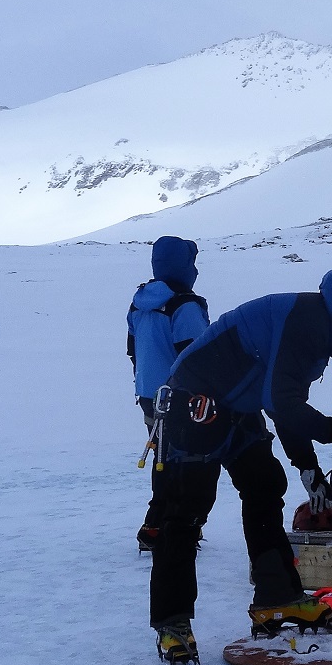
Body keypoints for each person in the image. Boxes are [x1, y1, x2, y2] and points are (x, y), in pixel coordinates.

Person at [147, 269, 332, 665]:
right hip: (195, 399)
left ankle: (275, 597)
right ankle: (172, 622)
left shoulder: (319, 327)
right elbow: (283, 403)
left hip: (237, 408)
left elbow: (283, 400)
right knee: (187, 510)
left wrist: (308, 466)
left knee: (265, 484)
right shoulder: (310, 323)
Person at [129, 236, 211, 555]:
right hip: (181, 397)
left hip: (150, 395)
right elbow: (196, 358)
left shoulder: (140, 302)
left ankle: (159, 525)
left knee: (163, 458)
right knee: (184, 460)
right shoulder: (185, 306)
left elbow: (133, 349)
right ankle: (168, 526)